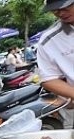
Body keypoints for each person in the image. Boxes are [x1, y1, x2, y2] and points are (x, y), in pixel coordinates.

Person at [37, 0, 74, 129]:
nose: (60, 13)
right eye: (55, 10)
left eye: (65, 7)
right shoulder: (49, 40)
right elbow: (48, 79)